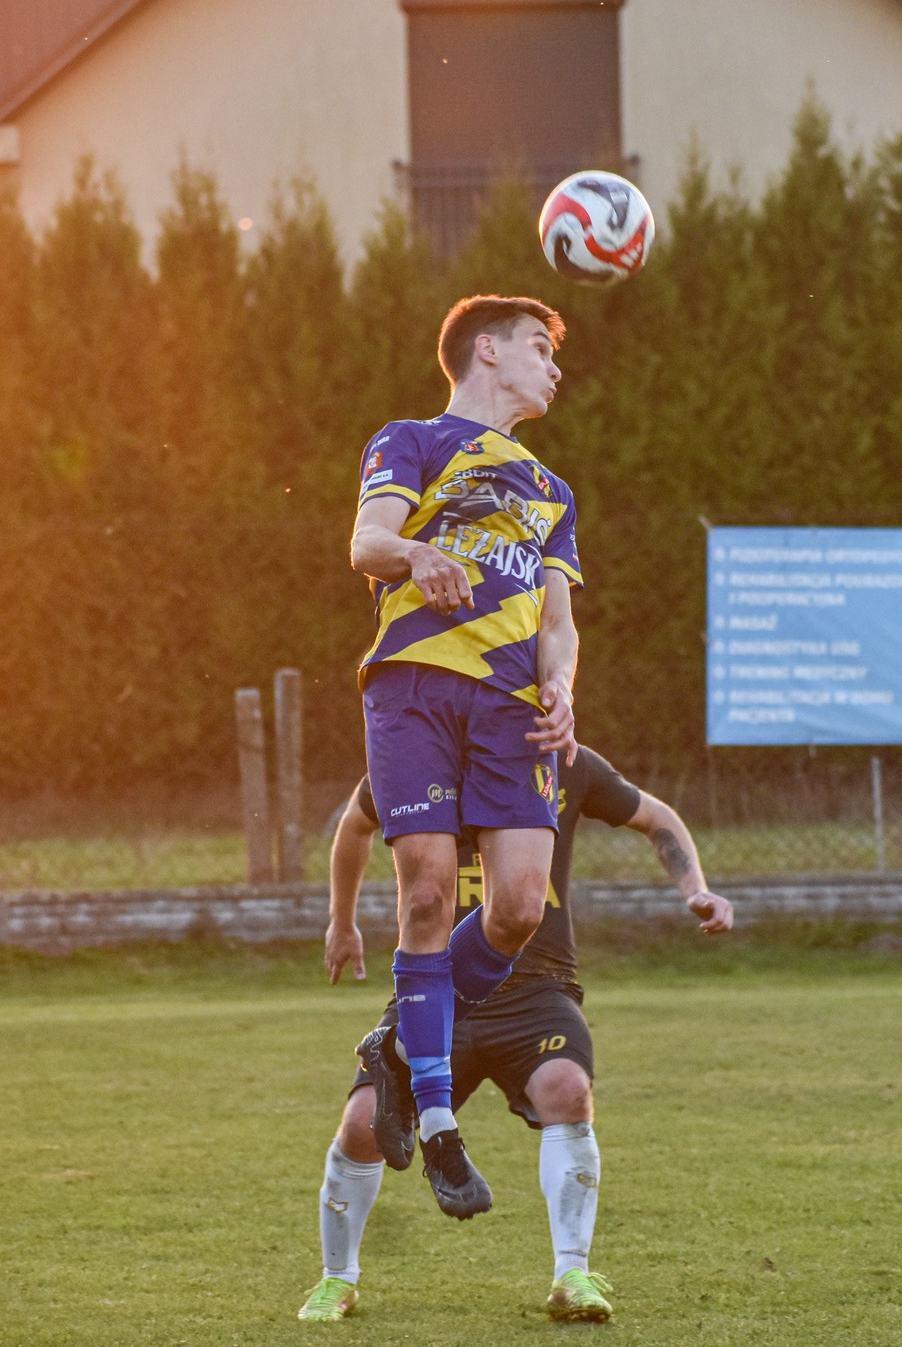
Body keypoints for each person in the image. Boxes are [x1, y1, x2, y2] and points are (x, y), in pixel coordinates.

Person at [296, 746, 734, 1323]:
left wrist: (695, 888)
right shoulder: (412, 753)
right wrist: (341, 919)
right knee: (362, 1125)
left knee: (567, 1089)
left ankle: (572, 1275)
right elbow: (354, 825)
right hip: (437, 990)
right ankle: (337, 1280)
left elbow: (657, 817)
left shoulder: (564, 761)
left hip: (536, 991)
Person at [346, 295, 581, 1220]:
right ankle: (440, 1123)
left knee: (520, 905)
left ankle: (400, 1048)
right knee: (430, 892)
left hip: (512, 706)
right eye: (538, 347)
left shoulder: (554, 492)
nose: (554, 367)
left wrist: (563, 686)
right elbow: (365, 544)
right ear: (486, 351)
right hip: (414, 683)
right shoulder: (411, 439)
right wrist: (413, 555)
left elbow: (560, 623)